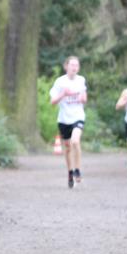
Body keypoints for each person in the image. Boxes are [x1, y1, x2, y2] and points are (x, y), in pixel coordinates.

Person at [49, 56, 87, 188]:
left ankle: (77, 170)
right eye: (72, 65)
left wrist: (83, 98)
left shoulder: (81, 80)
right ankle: (70, 171)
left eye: (76, 65)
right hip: (64, 119)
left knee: (75, 141)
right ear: (66, 66)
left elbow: (84, 98)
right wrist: (63, 94)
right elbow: (53, 102)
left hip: (78, 117)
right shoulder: (60, 82)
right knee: (67, 147)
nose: (74, 68)